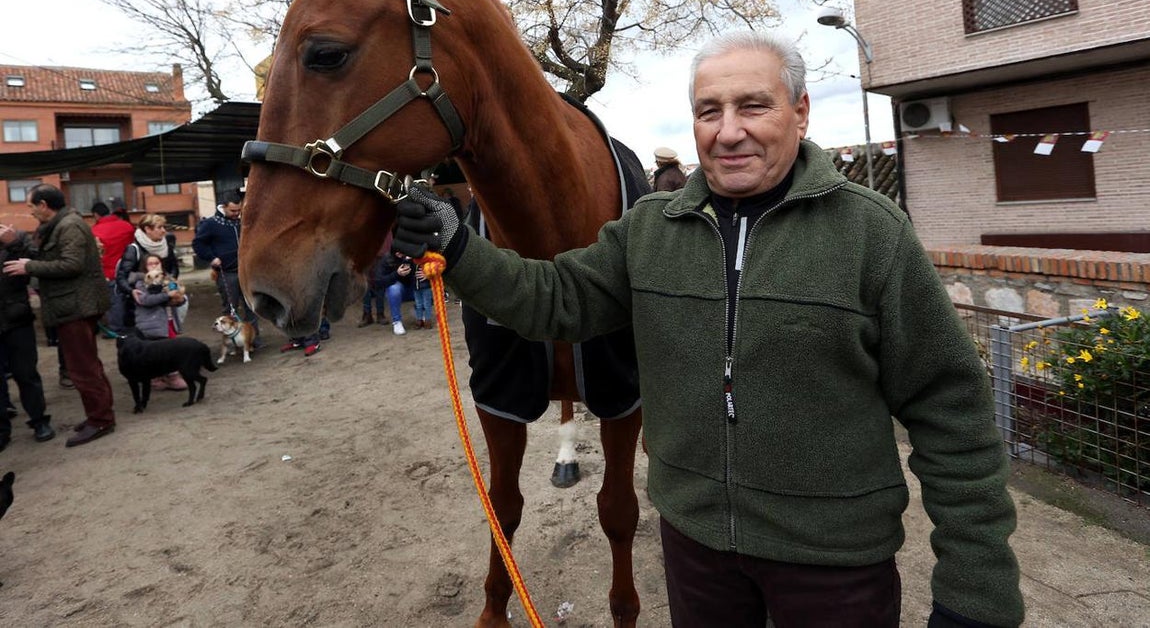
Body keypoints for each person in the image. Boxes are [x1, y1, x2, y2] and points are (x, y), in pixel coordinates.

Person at [394, 31, 1024, 628]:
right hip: (695, 552)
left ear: (800, 113)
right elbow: (554, 299)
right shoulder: (649, 229)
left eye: (753, 106)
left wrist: (978, 590)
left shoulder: (872, 234)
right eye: (708, 111)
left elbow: (952, 412)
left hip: (834, 565)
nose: (729, 132)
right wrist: (458, 245)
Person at [2, 184, 115, 448]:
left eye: (31, 206)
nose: (29, 212)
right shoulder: (58, 225)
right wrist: (17, 244)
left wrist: (28, 266)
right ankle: (98, 416)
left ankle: (101, 420)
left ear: (43, 205)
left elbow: (71, 264)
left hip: (76, 306)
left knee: (83, 368)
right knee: (86, 365)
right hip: (69, 306)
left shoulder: (70, 225)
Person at [0, 223, 55, 448]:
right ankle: (2, 430)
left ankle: (39, 421)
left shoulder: (14, 235)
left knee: (26, 374)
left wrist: (13, 243)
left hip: (16, 319)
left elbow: (35, 262)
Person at [193, 190, 259, 338]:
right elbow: (198, 244)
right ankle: (232, 341)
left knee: (251, 307)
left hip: (246, 272)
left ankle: (253, 340)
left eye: (239, 210)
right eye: (233, 210)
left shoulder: (242, 222)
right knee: (230, 309)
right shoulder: (210, 224)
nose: (237, 213)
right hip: (227, 273)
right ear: (223, 207)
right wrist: (211, 258)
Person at [131, 254, 189, 391]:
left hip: (168, 320)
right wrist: (166, 295)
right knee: (154, 351)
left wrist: (180, 299)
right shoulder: (140, 284)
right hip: (151, 324)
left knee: (170, 348)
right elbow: (145, 300)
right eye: (150, 264)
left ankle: (172, 375)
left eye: (157, 262)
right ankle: (155, 377)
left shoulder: (169, 280)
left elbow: (178, 296)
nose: (154, 266)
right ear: (144, 267)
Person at [113, 213, 180, 330]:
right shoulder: (133, 249)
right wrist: (132, 291)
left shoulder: (166, 246)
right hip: (139, 302)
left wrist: (171, 285)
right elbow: (122, 276)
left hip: (163, 298)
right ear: (148, 229)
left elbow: (173, 269)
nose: (164, 231)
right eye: (159, 227)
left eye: (164, 227)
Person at [90, 201, 135, 334]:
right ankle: (129, 323)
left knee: (113, 300)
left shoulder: (93, 231)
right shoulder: (127, 226)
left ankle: (115, 328)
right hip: (127, 268)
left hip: (107, 271)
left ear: (96, 215)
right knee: (127, 297)